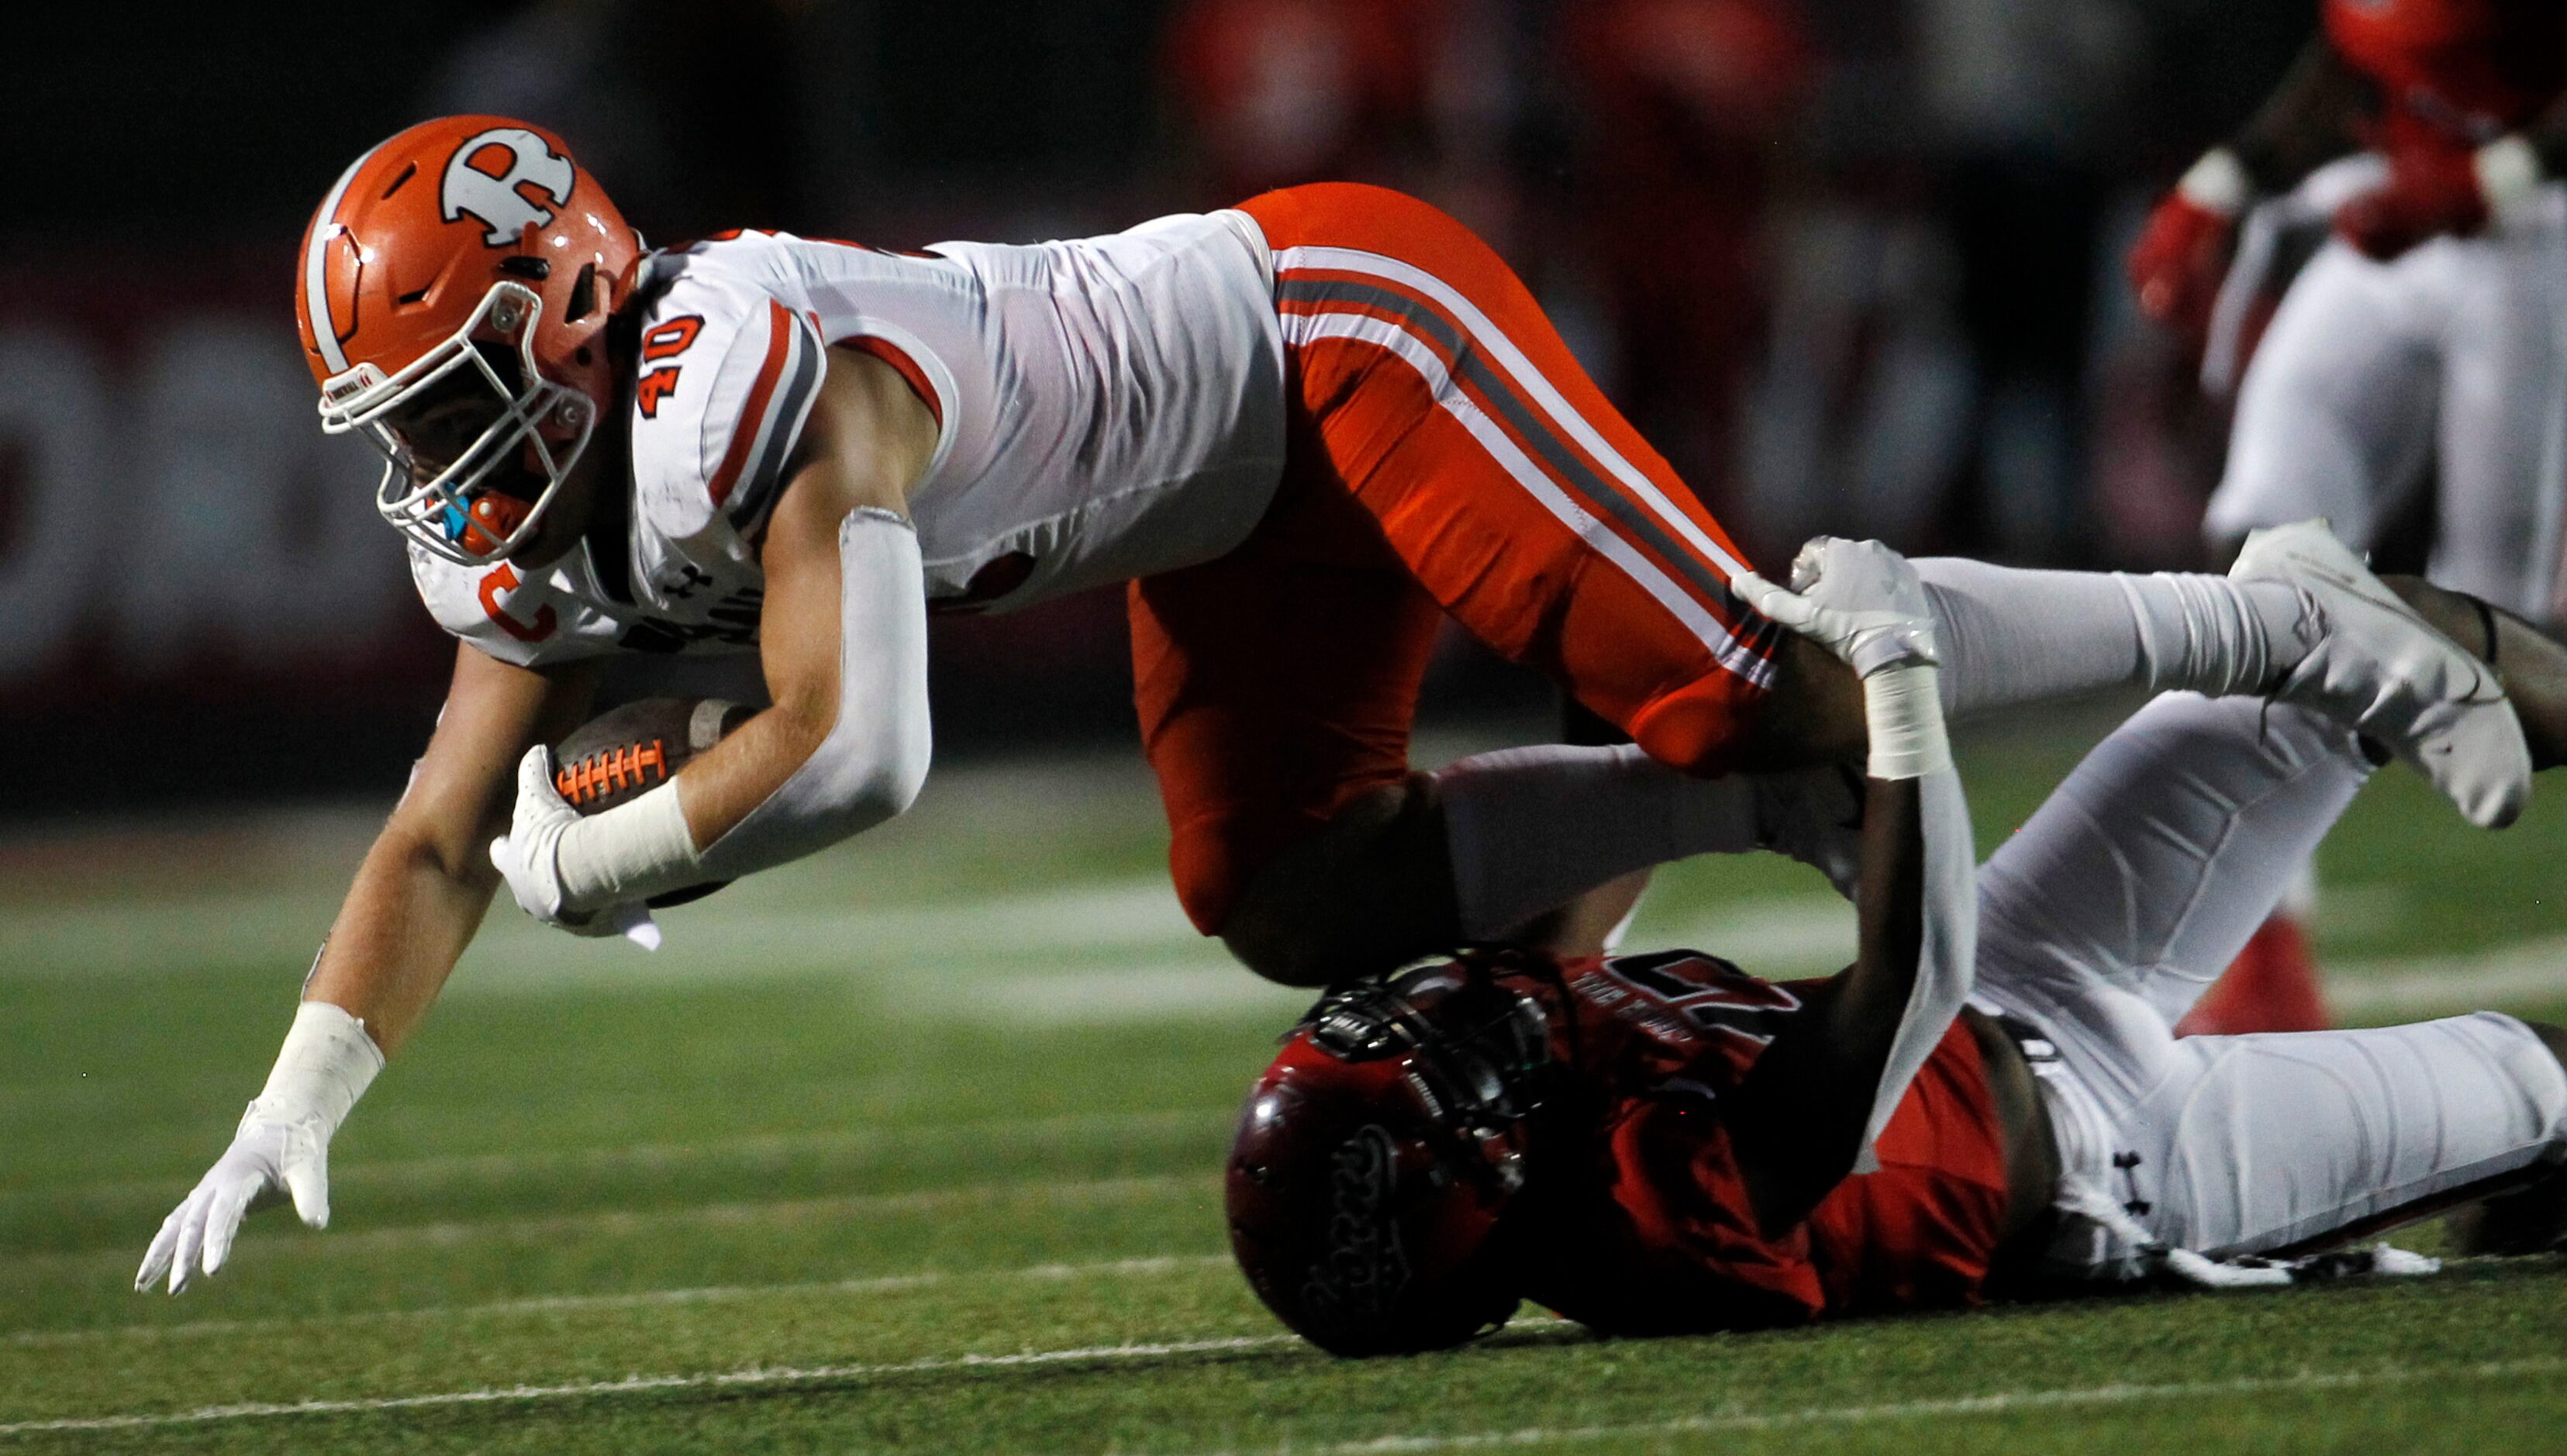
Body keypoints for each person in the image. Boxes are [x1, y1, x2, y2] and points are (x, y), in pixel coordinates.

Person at [136, 113, 2529, 1295]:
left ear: (568, 302)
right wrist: (302, 1087)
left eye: (458, 401)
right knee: (1281, 885)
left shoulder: (743, 363)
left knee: (1766, 684)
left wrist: (631, 848)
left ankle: (2263, 618)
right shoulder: (554, 496)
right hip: (1219, 512)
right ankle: (1804, 805)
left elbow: (856, 744)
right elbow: (443, 826)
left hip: (1331, 337)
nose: (448, 473)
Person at [1227, 554, 2567, 1353]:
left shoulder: (1531, 1063)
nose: (1456, 1011)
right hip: (2125, 1157)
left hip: (2026, 975)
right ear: (1491, 1183)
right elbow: (1908, 976)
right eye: (1448, 1069)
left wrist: (1617, 614)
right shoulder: (1654, 1212)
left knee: (2350, 635)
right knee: (2546, 1081)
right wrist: (1895, 678)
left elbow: (1603, 822)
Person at [2126, 0, 2567, 1033]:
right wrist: (2220, 181)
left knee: (2498, 620)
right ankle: (2271, 946)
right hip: (2392, 211)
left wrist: (2485, 180)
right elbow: (2357, 47)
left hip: (2537, 237)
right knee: (2261, 542)